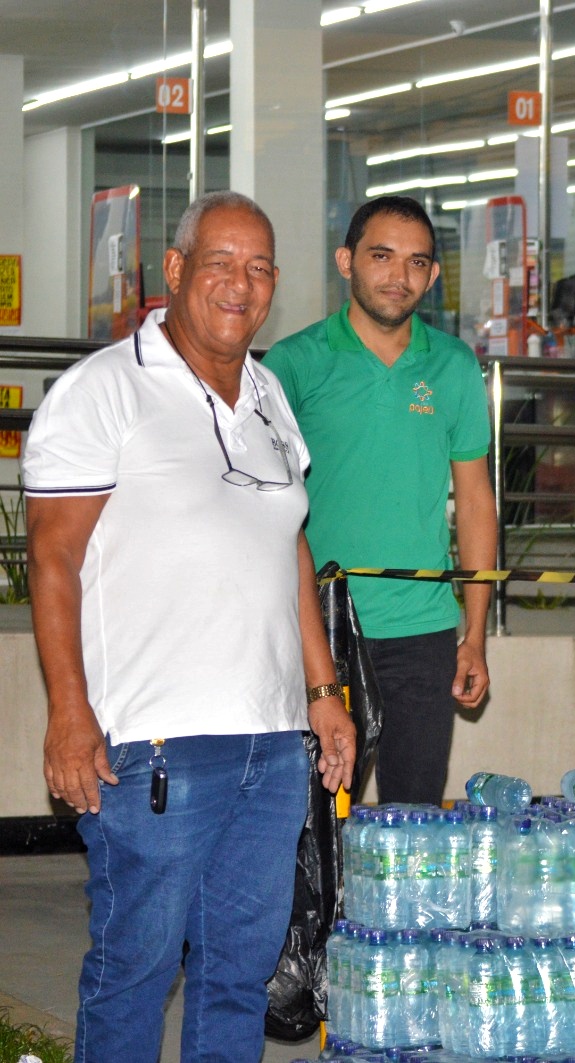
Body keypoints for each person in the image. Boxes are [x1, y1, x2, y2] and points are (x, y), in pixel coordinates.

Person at [24, 190, 356, 1063]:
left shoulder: (270, 395)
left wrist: (322, 691)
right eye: (220, 262)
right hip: (153, 748)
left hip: (272, 746)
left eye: (258, 268)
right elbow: (52, 560)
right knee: (134, 971)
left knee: (238, 976)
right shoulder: (101, 392)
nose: (239, 284)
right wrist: (68, 711)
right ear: (174, 270)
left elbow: (289, 541)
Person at [265, 195, 495, 806]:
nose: (400, 276)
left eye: (417, 262)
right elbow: (265, 508)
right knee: (312, 823)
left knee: (414, 819)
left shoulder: (452, 365)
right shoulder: (294, 364)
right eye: (382, 256)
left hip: (423, 632)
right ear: (346, 261)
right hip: (320, 627)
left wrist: (473, 634)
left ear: (434, 275)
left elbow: (475, 503)